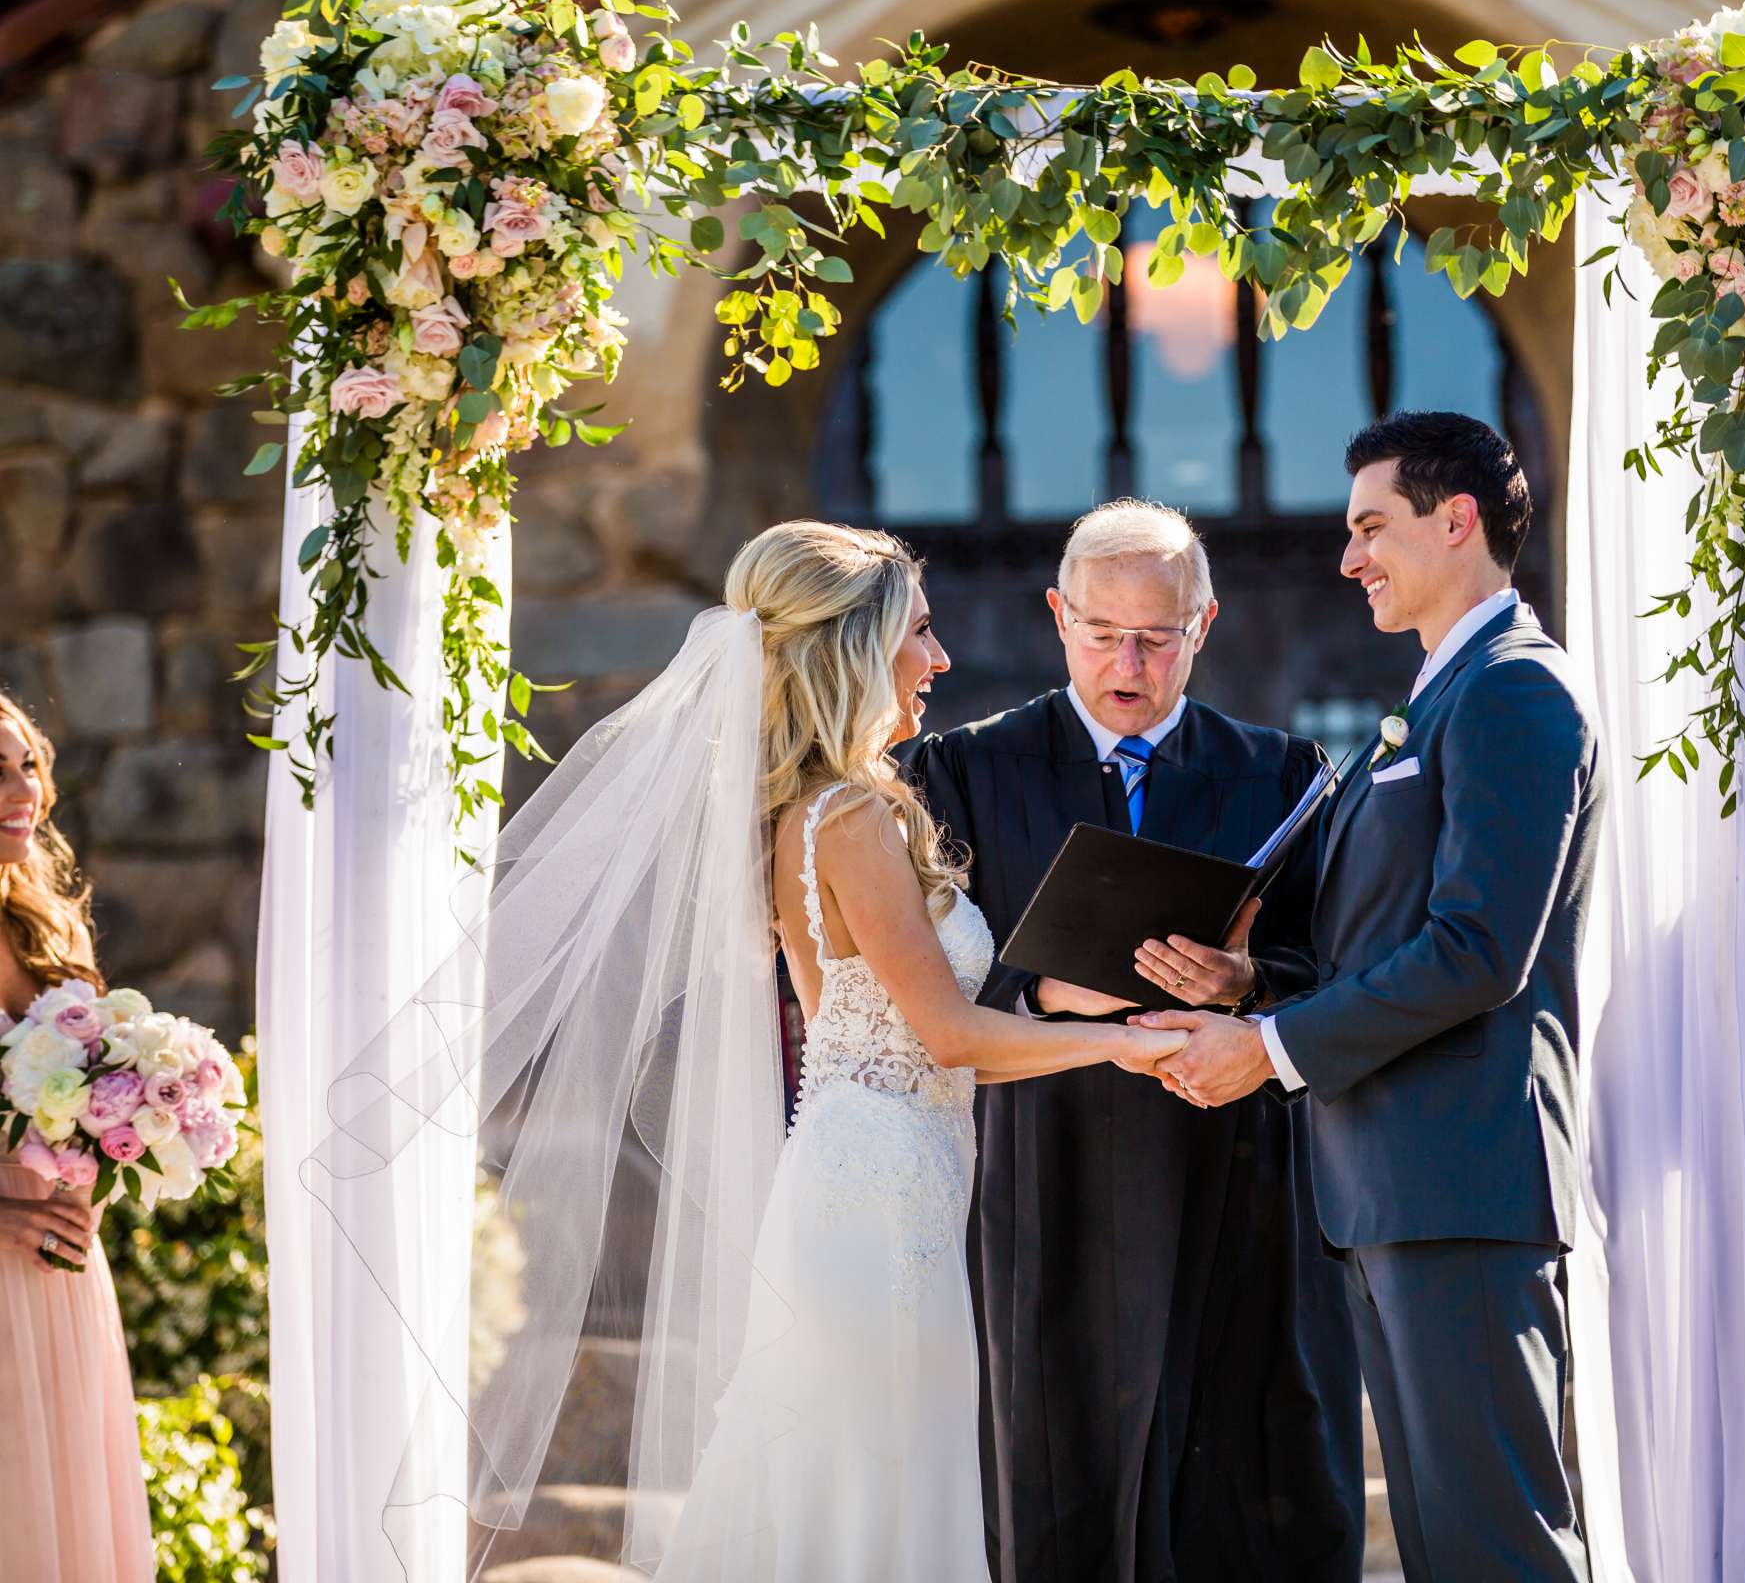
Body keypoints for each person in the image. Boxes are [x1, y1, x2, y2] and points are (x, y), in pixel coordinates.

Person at [307, 523, 1188, 1581]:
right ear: (856, 649)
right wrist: (1123, 1047)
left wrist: (1090, 1011)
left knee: (851, 1483)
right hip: (876, 1203)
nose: (941, 658)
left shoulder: (823, 809)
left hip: (876, 1175)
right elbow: (948, 1035)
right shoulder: (851, 817)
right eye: (920, 630)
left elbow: (914, 1042)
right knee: (870, 1490)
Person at [1143, 411, 1600, 1582]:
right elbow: (1390, 932)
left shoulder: (1513, 693)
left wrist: (1272, 1049)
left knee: (1498, 1543)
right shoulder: (1440, 697)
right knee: (1450, 1548)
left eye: (1370, 527)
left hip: (1460, 1181)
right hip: (1392, 1186)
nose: (1348, 558)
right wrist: (1255, 982)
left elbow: (1478, 951)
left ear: (1458, 521)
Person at [910, 502, 1362, 1583]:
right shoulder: (965, 770)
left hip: (1233, 1171)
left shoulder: (1284, 770)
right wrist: (1048, 990)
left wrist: (1245, 980)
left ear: (1204, 624)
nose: (1130, 661)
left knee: (1244, 1480)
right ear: (1058, 617)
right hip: (1044, 1167)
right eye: (1105, 631)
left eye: (1158, 636)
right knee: (1058, 1477)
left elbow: (1343, 967)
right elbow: (926, 975)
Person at [0, 691, 155, 1581]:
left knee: (70, 1521)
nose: (20, 788)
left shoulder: (47, 924)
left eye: (26, 765)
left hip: (63, 1271)